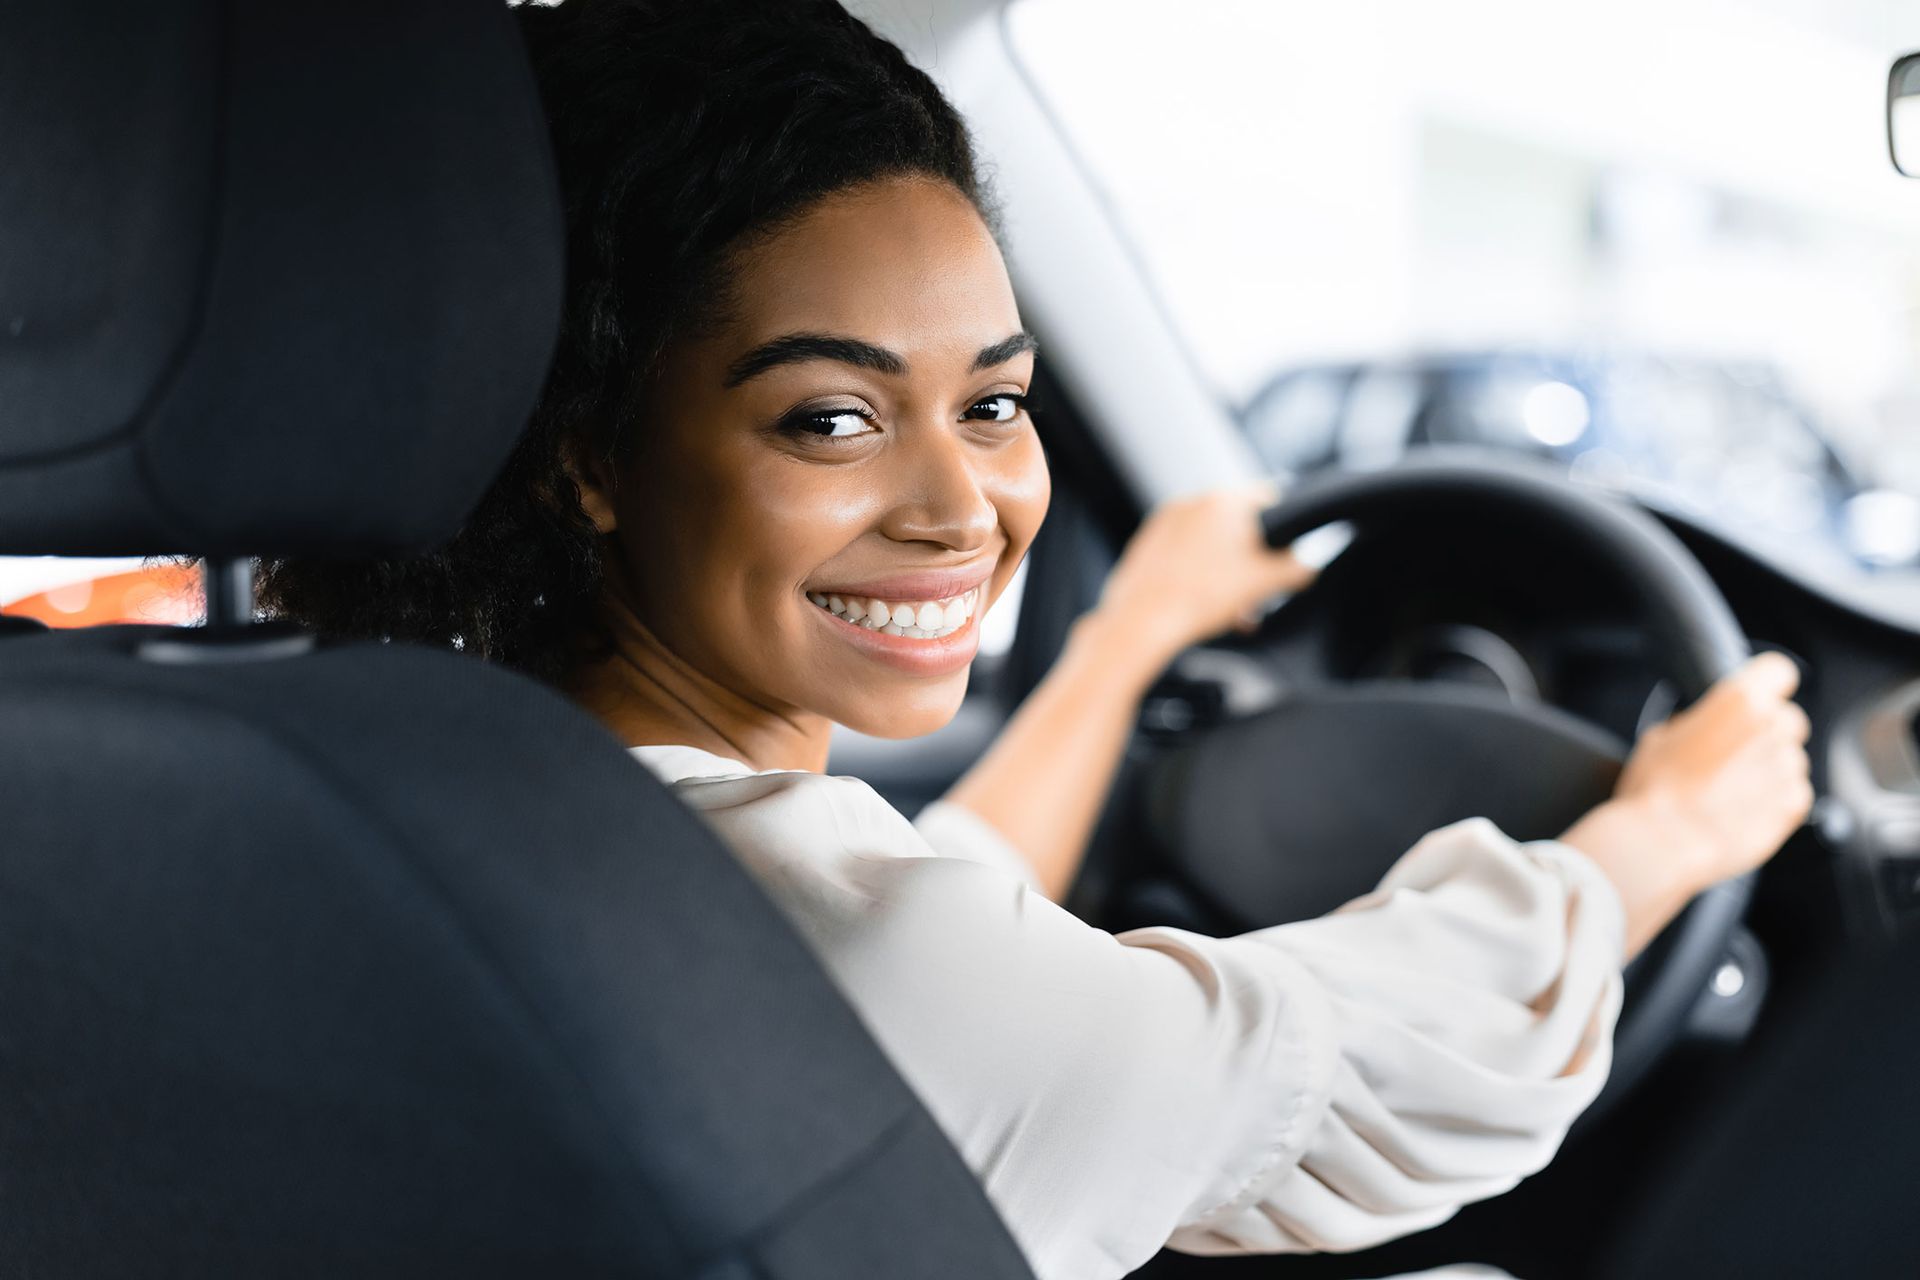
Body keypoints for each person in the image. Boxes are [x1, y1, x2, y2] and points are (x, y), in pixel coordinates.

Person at [260, 2, 1815, 1276]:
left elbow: (939, 927)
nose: (964, 509)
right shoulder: (841, 969)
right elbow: (1348, 1068)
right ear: (587, 453)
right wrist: (1658, 839)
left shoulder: (386, 811)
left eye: (996, 402)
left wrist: (1120, 647)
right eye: (834, 418)